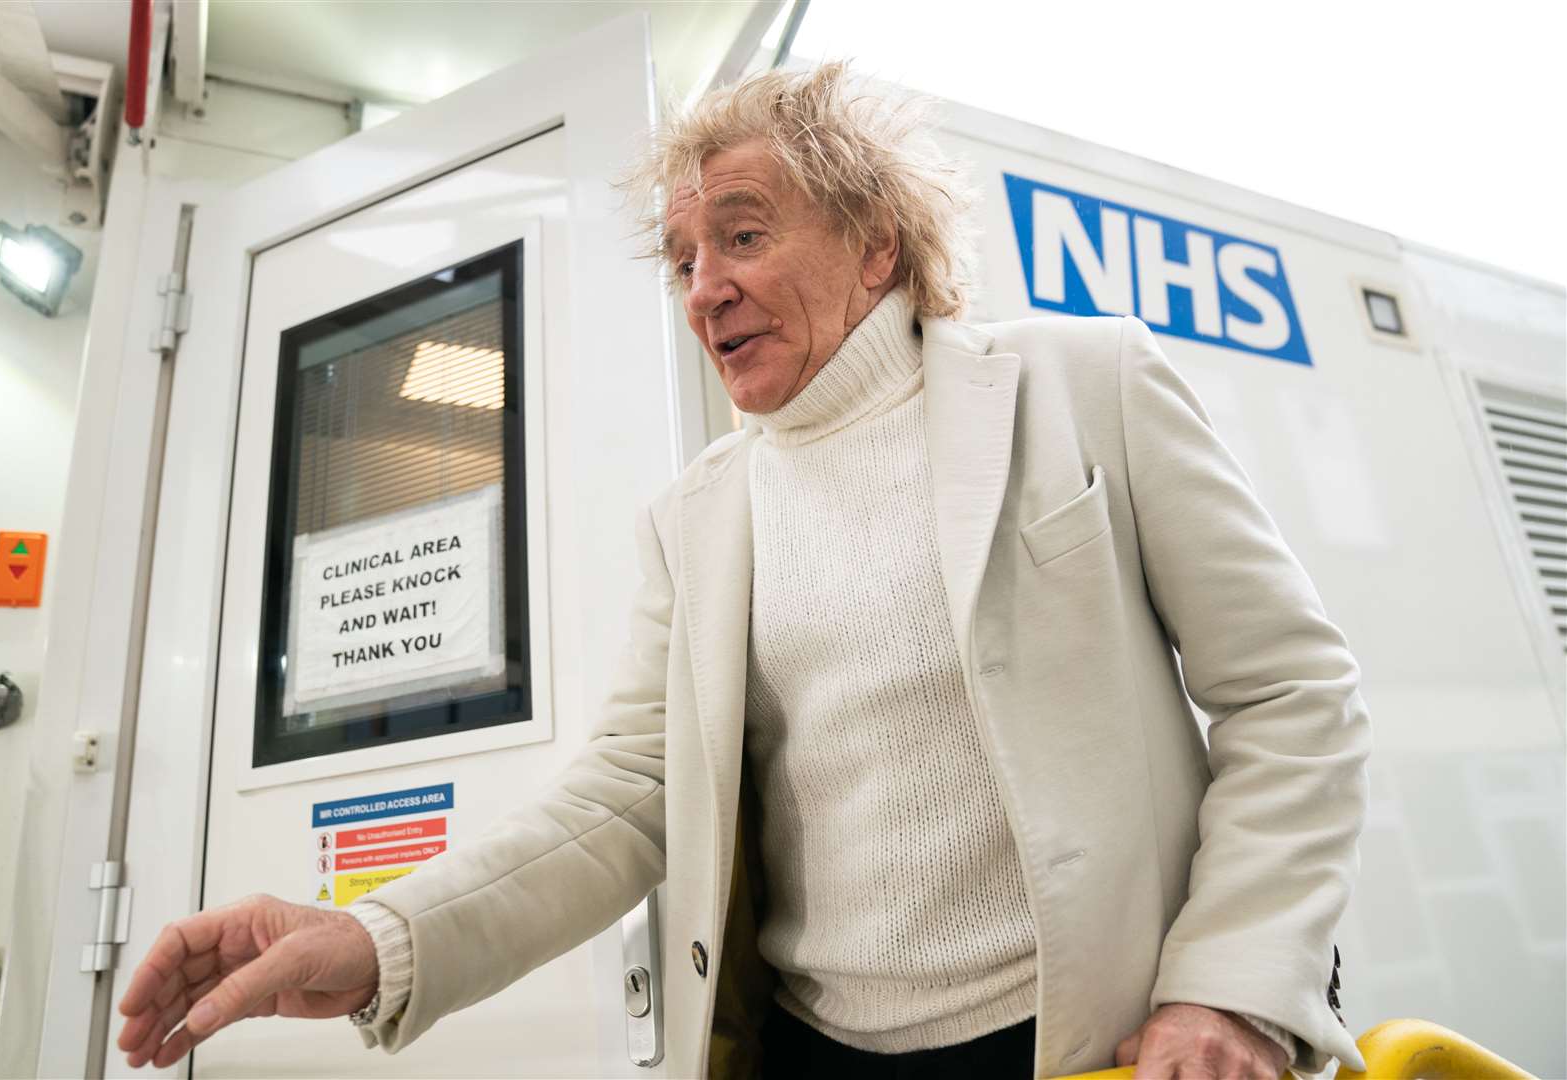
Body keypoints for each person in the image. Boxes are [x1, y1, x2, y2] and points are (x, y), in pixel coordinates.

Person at [117, 62, 1371, 1079]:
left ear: (876, 246)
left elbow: (1293, 697)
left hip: (1086, 1042)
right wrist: (379, 938)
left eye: (744, 235)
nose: (703, 290)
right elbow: (625, 797)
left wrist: (1231, 985)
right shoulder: (699, 518)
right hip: (819, 1057)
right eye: (681, 259)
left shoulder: (1082, 388)